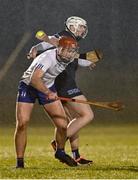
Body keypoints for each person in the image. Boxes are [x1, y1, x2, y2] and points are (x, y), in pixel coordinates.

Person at [28, 16, 102, 165]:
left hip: (64, 82)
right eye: (80, 27)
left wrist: (87, 63)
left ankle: (76, 155)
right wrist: (35, 48)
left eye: (84, 28)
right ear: (72, 27)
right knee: (87, 115)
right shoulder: (64, 35)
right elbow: (47, 40)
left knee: (74, 120)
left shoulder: (71, 41)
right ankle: (59, 143)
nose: (83, 30)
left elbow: (73, 57)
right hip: (64, 83)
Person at [15, 36, 80, 168]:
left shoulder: (69, 56)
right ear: (60, 49)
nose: (71, 54)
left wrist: (90, 61)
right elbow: (34, 79)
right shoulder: (47, 58)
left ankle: (60, 152)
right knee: (22, 123)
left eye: (72, 51)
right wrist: (48, 93)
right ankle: (20, 163)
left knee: (63, 125)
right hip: (29, 86)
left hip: (48, 86)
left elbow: (81, 58)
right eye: (68, 51)